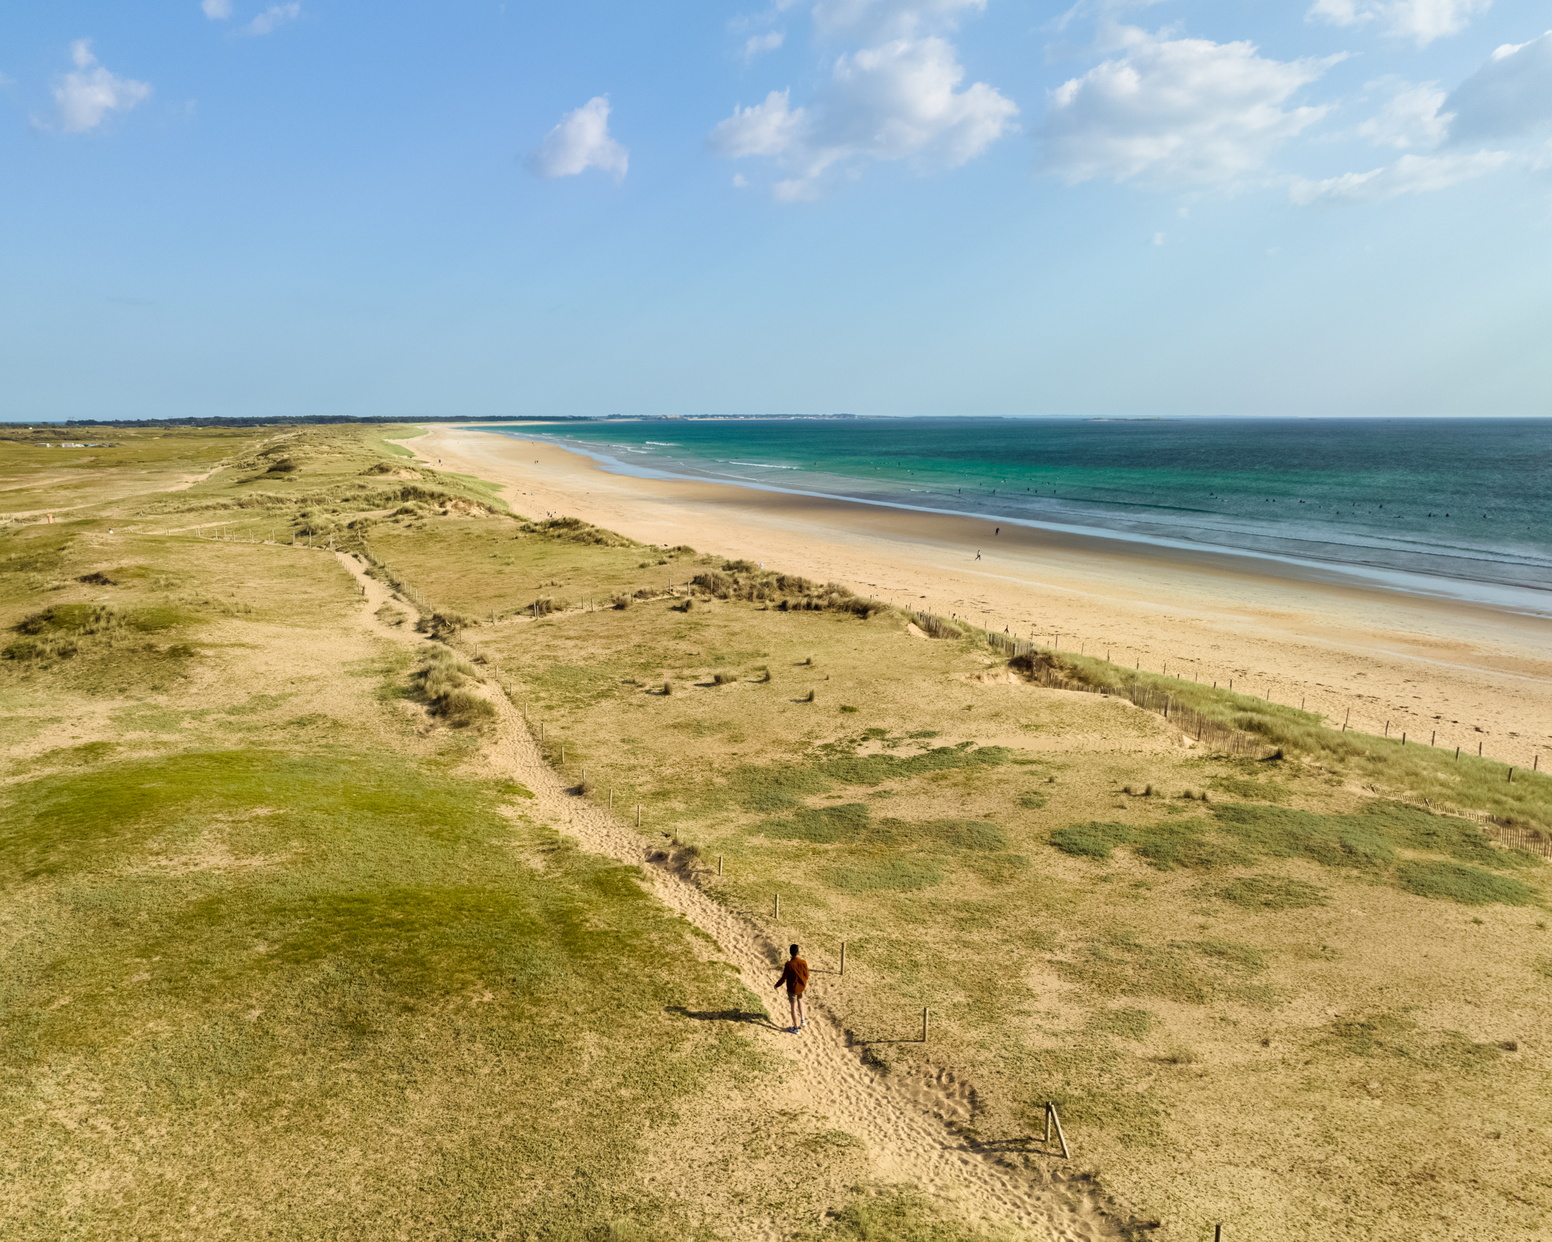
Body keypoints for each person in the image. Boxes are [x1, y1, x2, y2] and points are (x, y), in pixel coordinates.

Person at [774, 944, 809, 1033]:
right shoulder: (803, 962)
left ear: (790, 953)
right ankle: (803, 1020)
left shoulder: (789, 964)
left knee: (793, 1007)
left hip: (792, 989)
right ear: (798, 952)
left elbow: (783, 978)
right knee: (800, 1001)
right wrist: (803, 983)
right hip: (801, 987)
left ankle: (795, 1027)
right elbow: (807, 975)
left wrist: (777, 985)